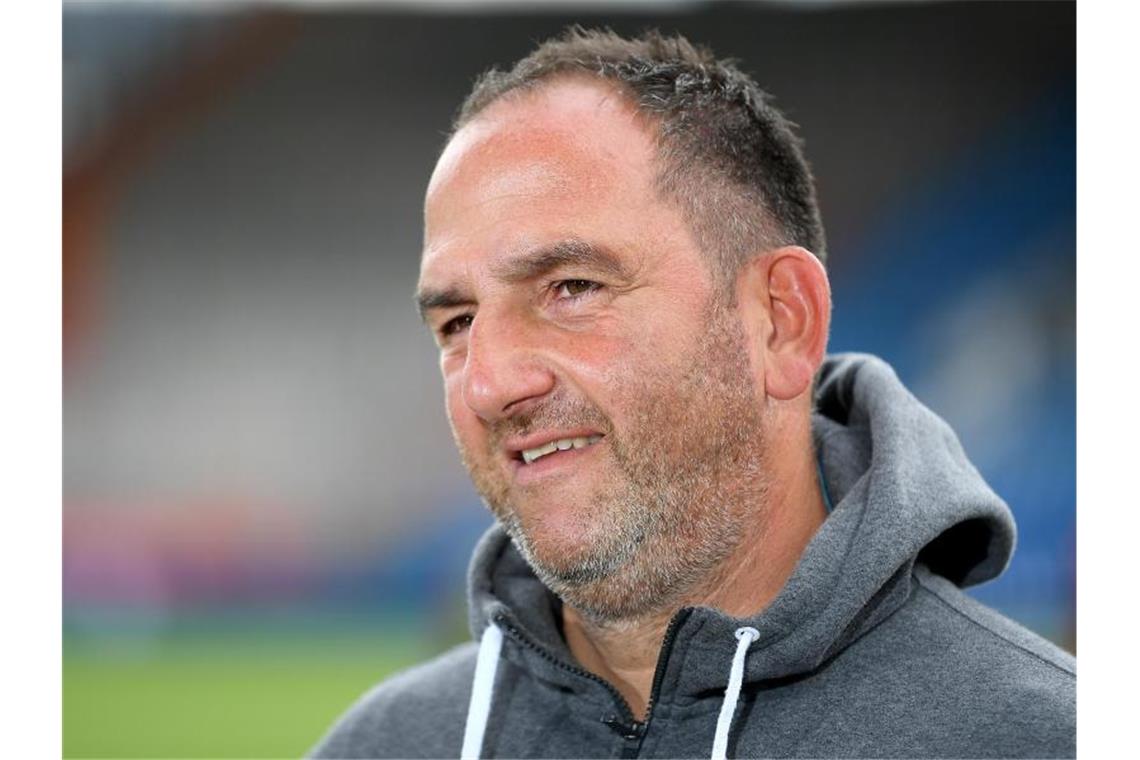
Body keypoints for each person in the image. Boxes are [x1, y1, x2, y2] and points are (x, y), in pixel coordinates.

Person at [310, 28, 1075, 759]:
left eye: (572, 288)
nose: (489, 382)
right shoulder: (382, 746)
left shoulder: (1047, 741)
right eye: (456, 322)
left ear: (781, 322)